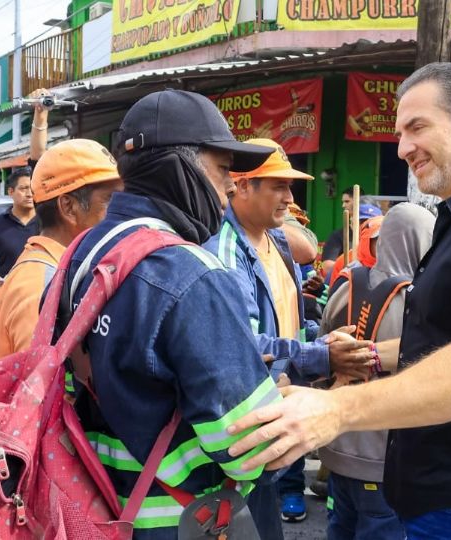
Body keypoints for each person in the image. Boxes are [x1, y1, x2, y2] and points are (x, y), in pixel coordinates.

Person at [228, 62, 451, 540]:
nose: (403, 147)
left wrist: (337, 410)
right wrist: (363, 354)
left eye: (417, 127)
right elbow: (444, 340)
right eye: (399, 132)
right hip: (437, 499)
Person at [61, 89, 284, 539]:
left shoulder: (83, 253)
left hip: (98, 509)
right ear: (179, 167)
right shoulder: (190, 274)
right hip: (182, 521)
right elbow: (247, 446)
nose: (228, 187)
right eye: (222, 169)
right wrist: (286, 406)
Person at [203, 138, 373, 530]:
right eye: (278, 185)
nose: (289, 197)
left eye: (289, 186)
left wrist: (324, 335)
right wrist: (322, 356)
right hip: (250, 422)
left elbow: (287, 323)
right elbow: (243, 344)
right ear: (242, 186)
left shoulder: (276, 240)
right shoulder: (225, 254)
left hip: (280, 405)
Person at [319, 202, 434, 540]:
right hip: (385, 462)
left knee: (340, 527)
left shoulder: (344, 286)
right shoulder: (419, 302)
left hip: (338, 451)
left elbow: (321, 356)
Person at [0, 139, 123, 359]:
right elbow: (38, 387)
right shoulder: (42, 286)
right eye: (109, 201)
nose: (119, 213)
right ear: (68, 207)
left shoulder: (58, 270)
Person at [0, 167, 39, 279]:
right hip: (7, 293)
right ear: (11, 192)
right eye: (24, 188)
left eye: (32, 188)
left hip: (44, 294)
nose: (29, 194)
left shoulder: (47, 223)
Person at [321, 186, 357, 263]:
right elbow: (327, 265)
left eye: (347, 201)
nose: (343, 205)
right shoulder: (338, 236)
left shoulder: (374, 236)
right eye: (343, 202)